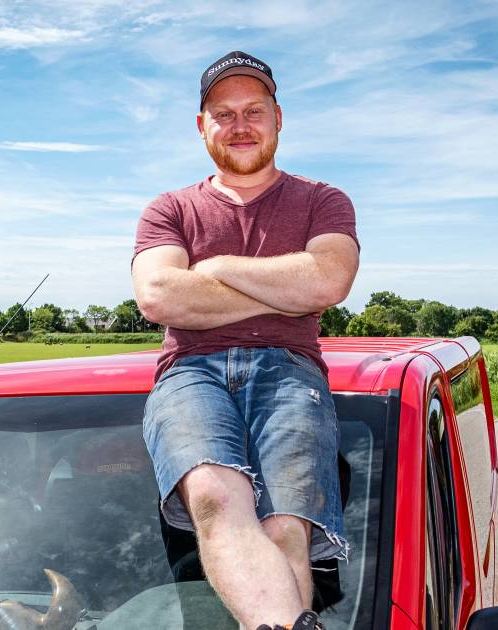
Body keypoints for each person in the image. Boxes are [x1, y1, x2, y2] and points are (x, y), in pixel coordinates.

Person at [131, 50, 360, 630]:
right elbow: (159, 296)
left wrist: (214, 269)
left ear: (278, 118)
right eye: (223, 113)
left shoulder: (322, 200)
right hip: (190, 370)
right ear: (201, 124)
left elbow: (329, 279)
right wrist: (289, 289)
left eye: (253, 111)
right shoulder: (170, 208)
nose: (240, 126)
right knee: (211, 494)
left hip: (291, 368)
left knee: (286, 527)